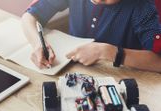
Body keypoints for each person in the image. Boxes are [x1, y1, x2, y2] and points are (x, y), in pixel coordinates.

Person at [21, 0, 161, 72]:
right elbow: (30, 16)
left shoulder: (143, 7)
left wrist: (108, 52)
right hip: (72, 70)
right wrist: (37, 43)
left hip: (121, 78)